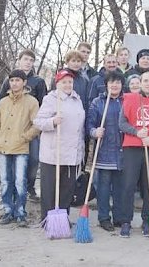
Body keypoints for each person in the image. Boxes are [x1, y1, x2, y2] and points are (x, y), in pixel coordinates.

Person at [117, 71, 149, 238]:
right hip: (132, 147)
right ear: (140, 83)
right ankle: (126, 221)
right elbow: (122, 123)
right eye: (145, 80)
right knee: (128, 185)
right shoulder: (130, 98)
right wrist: (136, 132)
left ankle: (147, 220)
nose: (148, 83)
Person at [33, 69, 85, 221]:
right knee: (50, 191)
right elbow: (38, 122)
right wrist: (52, 122)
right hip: (53, 153)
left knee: (67, 190)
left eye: (70, 82)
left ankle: (62, 220)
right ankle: (47, 220)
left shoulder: (77, 99)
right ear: (58, 84)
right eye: (64, 82)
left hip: (72, 153)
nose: (68, 85)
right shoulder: (51, 99)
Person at [0, 69, 40, 227]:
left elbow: (37, 125)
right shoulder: (3, 101)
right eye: (12, 80)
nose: (14, 83)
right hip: (3, 147)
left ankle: (20, 212)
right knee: (6, 181)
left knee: (20, 181)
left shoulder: (31, 102)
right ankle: (7, 210)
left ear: (24, 82)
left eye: (18, 80)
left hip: (21, 147)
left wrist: (25, 137)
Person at [0, 49, 47, 202]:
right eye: (25, 59)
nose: (28, 62)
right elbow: (2, 102)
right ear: (19, 60)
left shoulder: (39, 81)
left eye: (31, 60)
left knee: (33, 159)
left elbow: (43, 105)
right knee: (12, 160)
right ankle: (12, 189)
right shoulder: (9, 80)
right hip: (12, 130)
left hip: (32, 128)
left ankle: (29, 187)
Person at [86, 70, 125, 232]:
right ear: (106, 85)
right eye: (111, 82)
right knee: (103, 187)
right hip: (104, 151)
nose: (114, 85)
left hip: (123, 151)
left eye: (117, 82)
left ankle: (118, 217)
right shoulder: (98, 102)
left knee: (119, 187)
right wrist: (95, 132)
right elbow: (89, 124)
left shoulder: (126, 101)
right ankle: (103, 217)